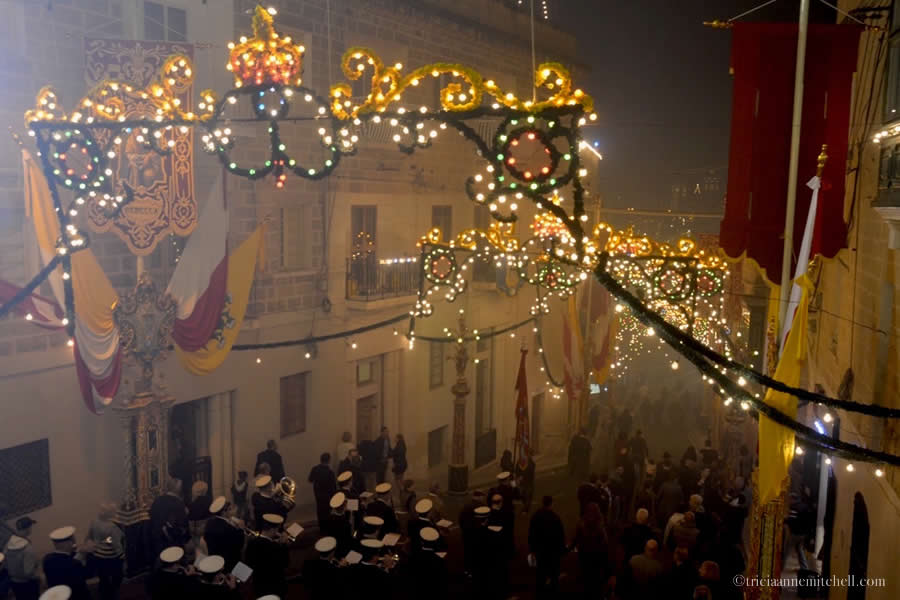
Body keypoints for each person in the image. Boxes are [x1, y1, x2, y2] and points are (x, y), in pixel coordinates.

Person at [528, 496, 566, 598]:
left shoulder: (536, 516)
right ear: (551, 504)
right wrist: (562, 550)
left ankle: (540, 592)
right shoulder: (555, 518)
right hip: (552, 551)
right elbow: (560, 536)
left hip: (540, 551)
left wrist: (532, 550)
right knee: (554, 573)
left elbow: (531, 534)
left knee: (540, 572)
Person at [86, 503, 125, 600]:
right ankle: (112, 595)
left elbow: (90, 536)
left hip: (97, 555)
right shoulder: (112, 527)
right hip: (111, 557)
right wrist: (123, 557)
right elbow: (116, 545)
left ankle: (103, 593)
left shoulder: (94, 522)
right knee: (117, 576)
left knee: (103, 577)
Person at [245, 514, 290, 599]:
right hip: (275, 587)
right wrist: (284, 545)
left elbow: (248, 564)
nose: (277, 532)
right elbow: (285, 563)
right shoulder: (274, 547)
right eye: (277, 529)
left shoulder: (251, 543)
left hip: (259, 586)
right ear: (273, 529)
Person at [573, 502, 609, 599]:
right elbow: (605, 544)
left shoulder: (581, 523)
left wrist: (570, 548)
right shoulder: (600, 527)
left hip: (583, 555)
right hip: (596, 557)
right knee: (594, 578)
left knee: (584, 575)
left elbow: (576, 538)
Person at [42, 527, 91, 600]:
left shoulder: (47, 559)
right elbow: (88, 574)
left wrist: (77, 554)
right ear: (67, 543)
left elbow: (64, 562)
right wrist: (87, 555)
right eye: (73, 541)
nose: (74, 543)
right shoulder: (73, 564)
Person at [203, 497, 245, 572]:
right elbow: (239, 545)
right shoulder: (228, 528)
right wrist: (241, 529)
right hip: (229, 563)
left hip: (215, 560)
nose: (232, 511)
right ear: (223, 512)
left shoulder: (209, 523)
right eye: (230, 509)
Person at [149, 477, 188, 556]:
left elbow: (152, 516)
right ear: (178, 489)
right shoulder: (178, 503)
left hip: (157, 539)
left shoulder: (157, 500)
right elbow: (182, 524)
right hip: (172, 541)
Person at [4, 516, 40, 600]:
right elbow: (28, 573)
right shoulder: (27, 548)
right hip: (28, 585)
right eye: (30, 527)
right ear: (28, 529)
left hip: (14, 583)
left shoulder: (7, 545)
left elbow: (5, 563)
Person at [459, 490, 486, 577]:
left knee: (467, 552)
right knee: (477, 553)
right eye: (483, 496)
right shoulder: (483, 506)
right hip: (478, 535)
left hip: (467, 534)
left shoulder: (466, 506)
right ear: (480, 497)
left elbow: (461, 520)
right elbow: (485, 522)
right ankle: (476, 571)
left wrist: (464, 530)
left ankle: (467, 570)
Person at [308, 452, 338, 527]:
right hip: (328, 495)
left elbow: (310, 480)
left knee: (319, 509)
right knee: (327, 511)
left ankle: (320, 525)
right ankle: (326, 526)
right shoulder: (330, 472)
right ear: (329, 461)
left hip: (318, 493)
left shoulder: (315, 469)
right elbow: (333, 486)